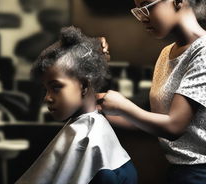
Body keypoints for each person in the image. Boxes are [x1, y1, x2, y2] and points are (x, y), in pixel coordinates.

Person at [97, 0, 206, 184]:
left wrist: (123, 105)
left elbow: (173, 126)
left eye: (146, 6)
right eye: (138, 10)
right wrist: (98, 108)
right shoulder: (166, 53)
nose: (142, 18)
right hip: (181, 173)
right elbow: (153, 122)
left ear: (176, 1)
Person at [15, 26, 137, 184]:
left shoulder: (101, 164)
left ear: (84, 86)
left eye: (56, 87)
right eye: (46, 89)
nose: (47, 98)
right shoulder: (84, 130)